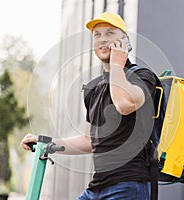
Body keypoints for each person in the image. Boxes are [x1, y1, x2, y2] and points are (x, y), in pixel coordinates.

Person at [20, 12, 158, 200]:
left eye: (110, 33)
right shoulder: (93, 89)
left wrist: (117, 66)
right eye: (97, 34)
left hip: (129, 186)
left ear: (125, 42)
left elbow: (124, 104)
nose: (102, 39)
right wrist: (47, 144)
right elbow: (88, 141)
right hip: (97, 188)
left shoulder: (143, 77)